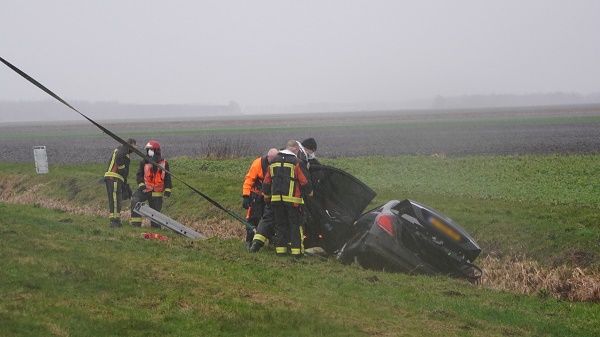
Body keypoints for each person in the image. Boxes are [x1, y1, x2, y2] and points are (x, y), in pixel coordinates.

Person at [258, 140, 313, 258]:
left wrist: (267, 198)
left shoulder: (273, 162)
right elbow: (304, 181)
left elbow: (266, 182)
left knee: (280, 225)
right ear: (295, 149)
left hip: (277, 201)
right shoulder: (296, 162)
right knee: (295, 226)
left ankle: (280, 252)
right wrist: (310, 193)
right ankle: (297, 254)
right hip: (293, 202)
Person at [241, 148, 279, 249]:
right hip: (257, 196)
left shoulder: (280, 164)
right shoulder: (258, 163)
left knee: (272, 219)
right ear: (268, 157)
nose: (275, 160)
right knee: (253, 219)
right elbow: (249, 180)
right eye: (273, 158)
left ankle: (272, 242)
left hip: (271, 196)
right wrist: (246, 196)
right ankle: (249, 241)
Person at [130, 140, 172, 228]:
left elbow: (168, 178)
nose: (149, 152)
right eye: (148, 150)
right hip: (145, 190)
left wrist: (167, 191)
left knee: (155, 217)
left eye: (151, 150)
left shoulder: (164, 163)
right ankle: (136, 225)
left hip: (157, 194)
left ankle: (155, 230)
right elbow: (139, 175)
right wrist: (142, 186)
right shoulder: (144, 162)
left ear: (156, 151)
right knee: (134, 200)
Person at [104, 138, 137, 227]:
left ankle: (116, 221)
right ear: (131, 144)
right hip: (114, 178)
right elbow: (119, 158)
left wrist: (125, 184)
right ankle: (114, 222)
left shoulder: (123, 149)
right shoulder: (124, 149)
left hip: (116, 179)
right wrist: (122, 169)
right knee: (115, 201)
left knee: (117, 200)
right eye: (134, 146)